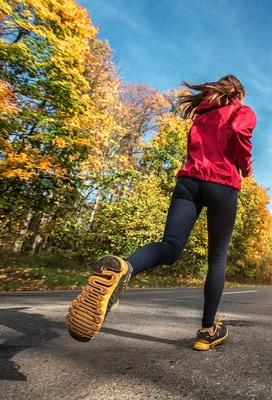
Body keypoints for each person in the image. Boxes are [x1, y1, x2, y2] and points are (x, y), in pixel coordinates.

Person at [66, 75, 257, 351]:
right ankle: (206, 331)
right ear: (239, 94)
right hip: (222, 184)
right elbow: (240, 132)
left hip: (188, 183)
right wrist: (246, 167)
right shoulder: (242, 111)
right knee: (217, 258)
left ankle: (126, 268)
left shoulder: (202, 112)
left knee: (171, 246)